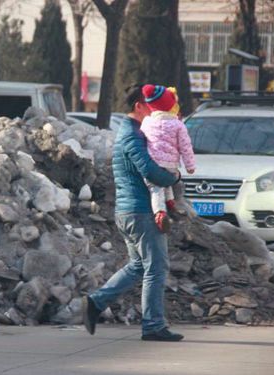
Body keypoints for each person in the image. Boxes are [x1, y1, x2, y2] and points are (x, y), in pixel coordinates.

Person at [81, 84, 184, 342]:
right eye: (150, 107)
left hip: (130, 211)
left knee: (139, 266)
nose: (154, 113)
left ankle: (95, 303)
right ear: (138, 107)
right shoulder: (132, 136)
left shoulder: (135, 133)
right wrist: (174, 176)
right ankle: (152, 326)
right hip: (140, 212)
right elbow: (149, 171)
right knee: (157, 268)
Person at [140, 85, 196, 233]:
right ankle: (170, 203)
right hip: (171, 166)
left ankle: (160, 213)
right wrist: (190, 166)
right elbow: (186, 147)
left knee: (155, 188)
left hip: (152, 165)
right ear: (172, 104)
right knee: (167, 181)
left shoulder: (146, 122)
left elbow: (141, 141)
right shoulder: (178, 125)